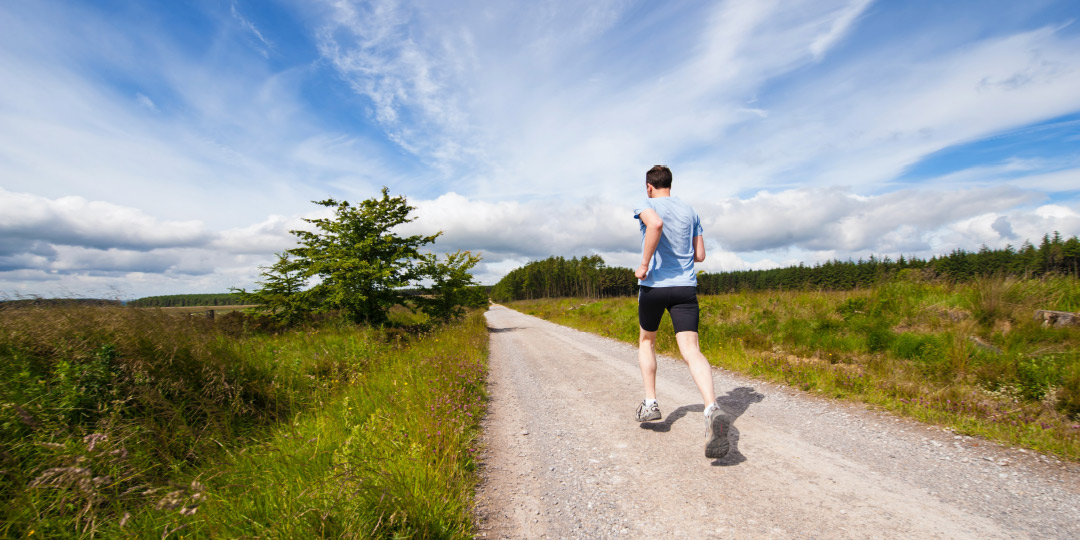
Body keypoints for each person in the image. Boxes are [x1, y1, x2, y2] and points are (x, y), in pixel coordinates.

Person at [633, 165, 730, 459]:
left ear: (649, 186)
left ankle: (650, 403)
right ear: (669, 184)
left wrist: (645, 264)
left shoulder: (645, 204)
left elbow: (656, 225)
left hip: (654, 287)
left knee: (647, 341)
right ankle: (712, 407)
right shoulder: (690, 211)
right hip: (685, 287)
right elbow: (700, 255)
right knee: (691, 349)